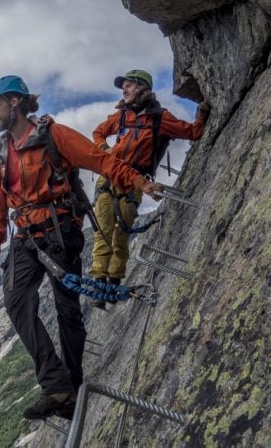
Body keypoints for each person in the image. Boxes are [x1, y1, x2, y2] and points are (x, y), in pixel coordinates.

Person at [0, 75, 163, 420]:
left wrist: (139, 181)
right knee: (16, 301)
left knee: (67, 312)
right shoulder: (1, 157)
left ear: (15, 103)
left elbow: (101, 161)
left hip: (59, 231)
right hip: (25, 237)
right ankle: (57, 385)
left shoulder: (55, 135)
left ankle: (72, 387)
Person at [88, 70, 209, 309]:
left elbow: (193, 133)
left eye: (128, 85)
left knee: (120, 235)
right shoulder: (121, 116)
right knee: (102, 234)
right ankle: (99, 289)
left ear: (142, 88)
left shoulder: (159, 118)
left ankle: (112, 284)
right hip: (109, 180)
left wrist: (201, 112)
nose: (124, 90)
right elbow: (98, 132)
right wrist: (106, 150)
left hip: (134, 184)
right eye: (123, 87)